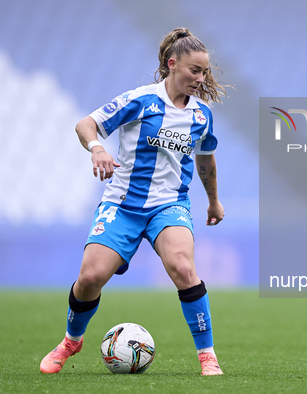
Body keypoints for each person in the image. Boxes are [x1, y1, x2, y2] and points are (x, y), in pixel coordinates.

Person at [39, 27, 228, 376]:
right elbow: (86, 125)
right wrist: (97, 149)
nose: (200, 79)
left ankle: (207, 355)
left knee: (184, 269)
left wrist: (213, 201)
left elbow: (206, 158)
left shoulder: (201, 116)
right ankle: (71, 340)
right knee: (90, 277)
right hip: (122, 205)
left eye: (204, 72)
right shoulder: (140, 100)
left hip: (168, 205)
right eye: (194, 70)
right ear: (172, 64)